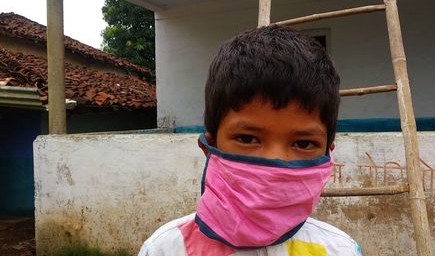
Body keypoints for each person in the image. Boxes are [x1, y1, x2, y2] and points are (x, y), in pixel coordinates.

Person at [138, 25, 361, 256]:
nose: (275, 161)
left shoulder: (340, 249)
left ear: (327, 155)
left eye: (303, 144)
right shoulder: (166, 249)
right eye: (247, 138)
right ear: (210, 148)